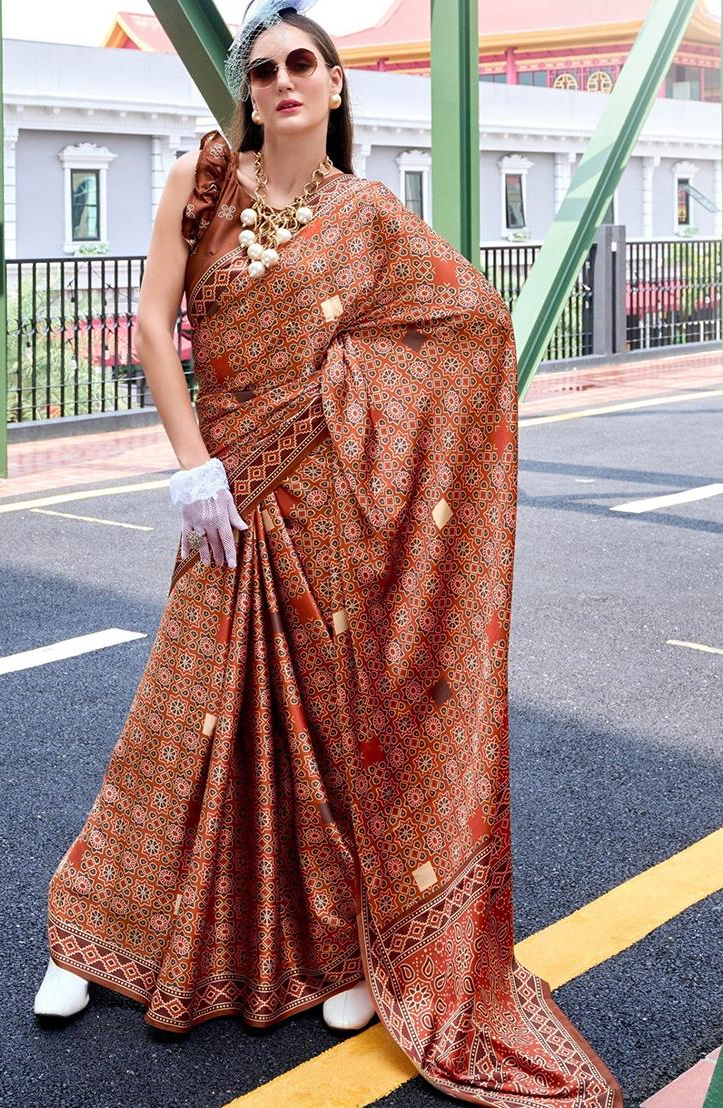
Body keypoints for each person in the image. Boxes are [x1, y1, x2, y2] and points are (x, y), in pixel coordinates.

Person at [35, 2, 624, 1104]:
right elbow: (157, 324)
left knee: (316, 727)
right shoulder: (201, 185)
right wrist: (188, 464)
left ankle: (347, 953)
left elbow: (472, 326)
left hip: (325, 504)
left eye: (302, 62)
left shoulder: (368, 216)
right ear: (248, 93)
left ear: (337, 84)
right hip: (227, 496)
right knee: (182, 711)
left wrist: (357, 407)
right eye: (262, 70)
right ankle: (84, 933)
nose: (282, 81)